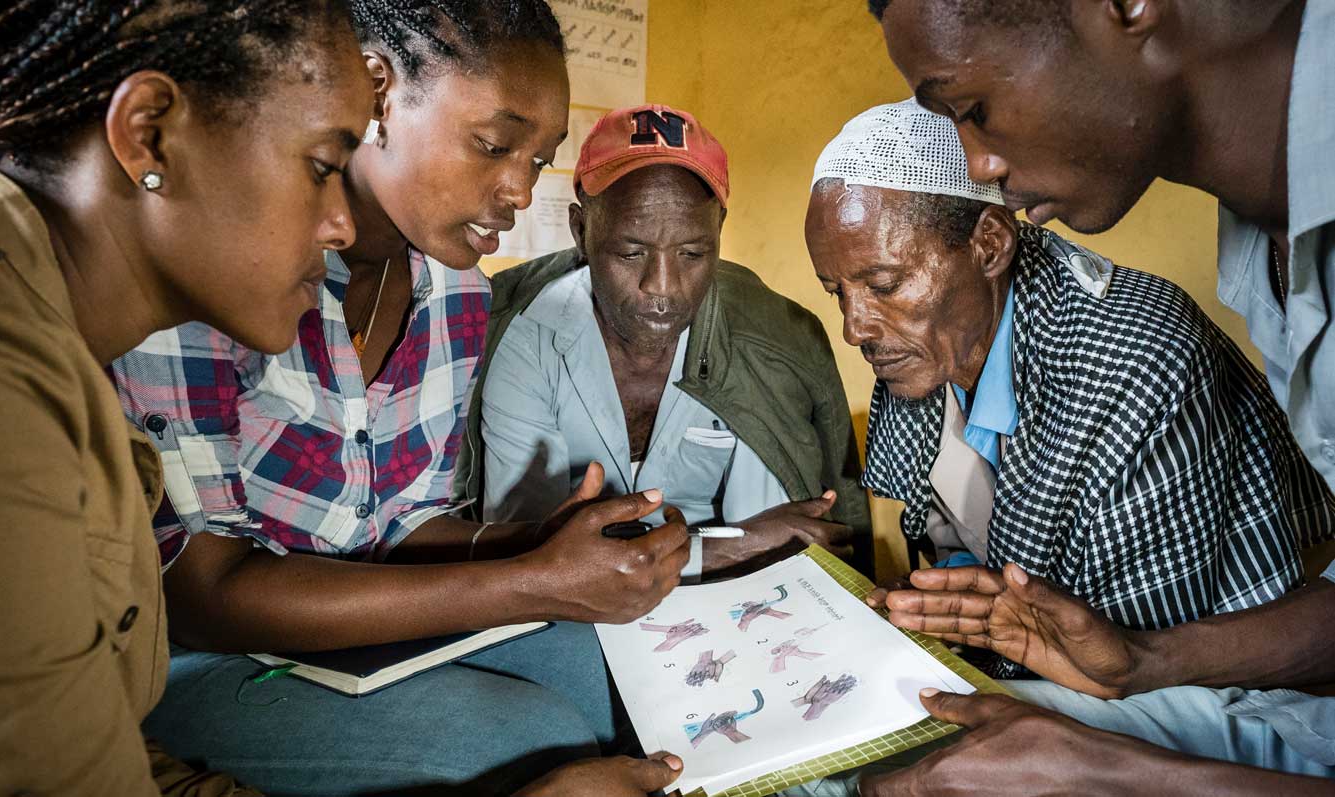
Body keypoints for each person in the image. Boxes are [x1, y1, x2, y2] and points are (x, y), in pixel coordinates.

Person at [108, 3, 690, 795]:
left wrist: (533, 547)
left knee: (585, 657)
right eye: (493, 145)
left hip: (350, 633)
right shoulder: (223, 268)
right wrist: (526, 579)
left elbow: (399, 523)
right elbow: (201, 594)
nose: (519, 188)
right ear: (378, 92)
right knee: (527, 737)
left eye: (539, 158)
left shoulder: (455, 295)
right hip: (203, 655)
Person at [855, 0, 1335, 791]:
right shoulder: (1262, 236)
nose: (973, 167)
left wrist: (1114, 771)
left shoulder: (1134, 345)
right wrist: (1141, 662)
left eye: (972, 110)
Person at [0, 1, 369, 793]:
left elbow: (108, 754)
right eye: (323, 165)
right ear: (149, 133)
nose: (340, 225)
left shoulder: (45, 328)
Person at [804, 100, 1333, 683]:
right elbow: (955, 535)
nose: (855, 329)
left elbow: (1139, 657)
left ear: (989, 246)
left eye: (883, 284)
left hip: (1214, 679)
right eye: (837, 292)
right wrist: (944, 600)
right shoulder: (924, 353)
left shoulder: (1137, 363)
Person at [463, 104, 865, 580]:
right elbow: (533, 555)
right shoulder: (527, 336)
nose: (663, 286)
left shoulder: (770, 344)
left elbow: (778, 552)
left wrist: (744, 547)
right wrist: (725, 547)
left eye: (693, 253)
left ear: (718, 231)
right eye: (631, 252)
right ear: (581, 232)